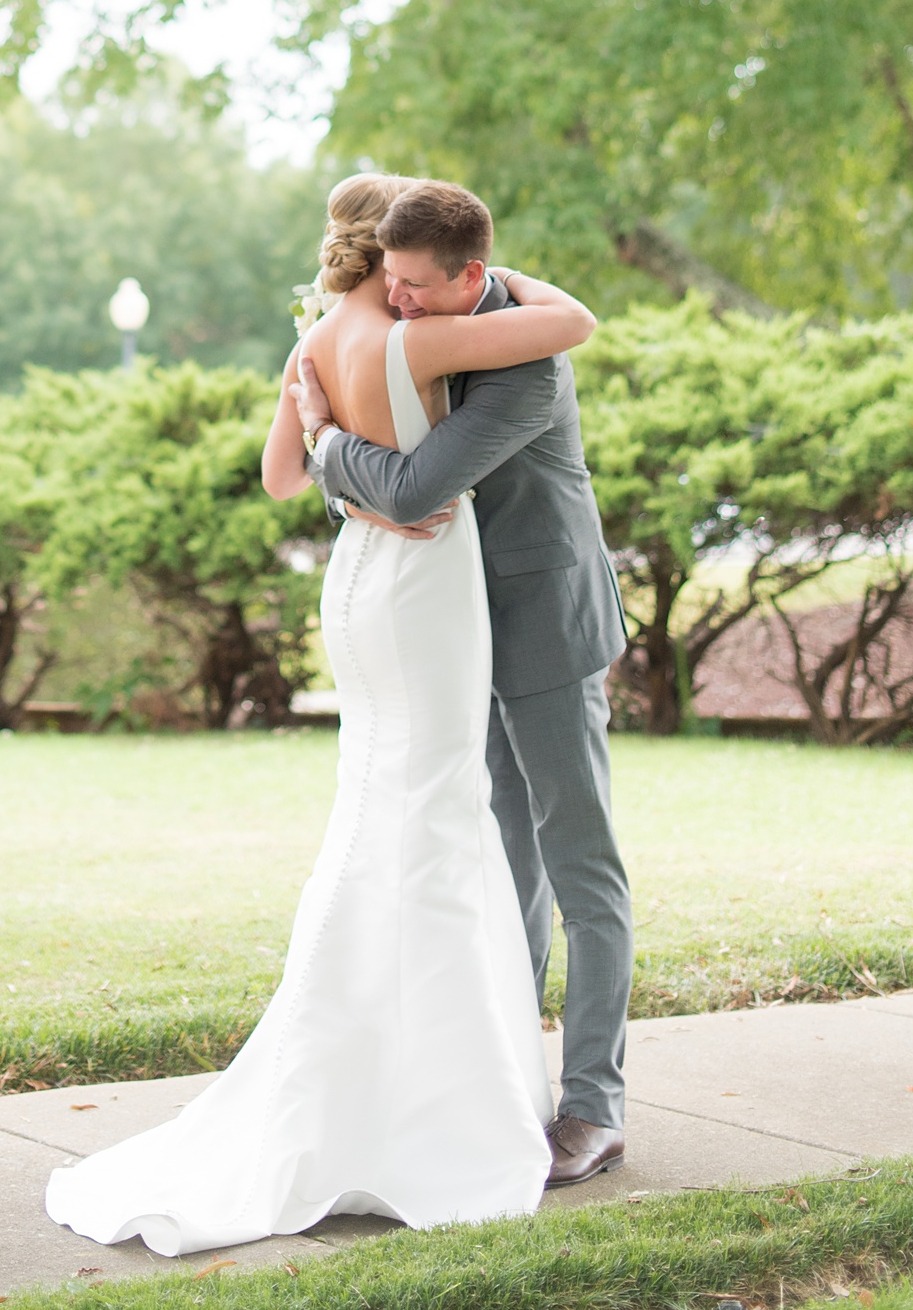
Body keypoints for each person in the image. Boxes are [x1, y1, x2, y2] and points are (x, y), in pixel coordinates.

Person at [44, 173, 598, 1257]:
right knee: (437, 809)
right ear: (388, 258)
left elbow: (280, 480)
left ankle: (351, 1068)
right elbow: (567, 327)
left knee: (376, 803)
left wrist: (330, 440)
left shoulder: (311, 342)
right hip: (426, 585)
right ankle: (434, 1106)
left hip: (352, 590)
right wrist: (382, 467)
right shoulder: (416, 344)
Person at [296, 179, 632, 1189]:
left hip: (545, 629)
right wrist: (330, 455)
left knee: (578, 867)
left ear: (471, 278)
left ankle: (593, 1105)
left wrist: (323, 443)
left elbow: (408, 486)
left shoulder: (525, 362)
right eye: (387, 282)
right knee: (499, 865)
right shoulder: (434, 324)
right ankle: (502, 1081)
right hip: (459, 634)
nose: (393, 301)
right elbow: (383, 474)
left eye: (411, 287)